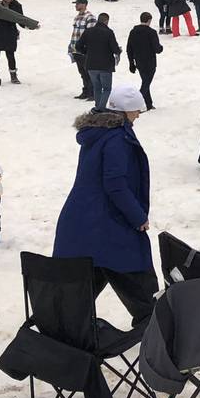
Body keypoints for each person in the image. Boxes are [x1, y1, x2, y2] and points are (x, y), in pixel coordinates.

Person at [53, 85, 157, 325]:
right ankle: (155, 327)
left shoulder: (99, 133)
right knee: (133, 271)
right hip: (107, 221)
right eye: (136, 111)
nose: (138, 115)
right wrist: (138, 217)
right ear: (126, 111)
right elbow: (116, 185)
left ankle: (65, 326)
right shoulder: (117, 138)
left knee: (87, 279)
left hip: (83, 220)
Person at [76, 12, 121, 114]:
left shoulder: (88, 31)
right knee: (106, 88)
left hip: (91, 64)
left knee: (97, 87)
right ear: (106, 21)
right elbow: (115, 49)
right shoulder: (109, 32)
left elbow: (78, 46)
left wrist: (86, 52)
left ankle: (97, 106)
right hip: (105, 65)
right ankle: (100, 108)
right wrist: (119, 51)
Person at [126, 12, 163, 111]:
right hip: (150, 62)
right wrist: (161, 48)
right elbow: (157, 49)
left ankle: (149, 104)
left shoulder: (133, 32)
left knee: (145, 82)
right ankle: (135, 104)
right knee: (146, 83)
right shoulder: (151, 32)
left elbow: (129, 48)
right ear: (149, 20)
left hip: (139, 62)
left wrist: (131, 62)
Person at [66, 0, 98, 100]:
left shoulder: (90, 17)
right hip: (76, 49)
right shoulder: (76, 17)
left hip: (85, 50)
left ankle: (92, 92)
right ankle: (86, 91)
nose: (76, 6)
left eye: (77, 4)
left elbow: (91, 34)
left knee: (89, 72)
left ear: (84, 4)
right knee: (82, 72)